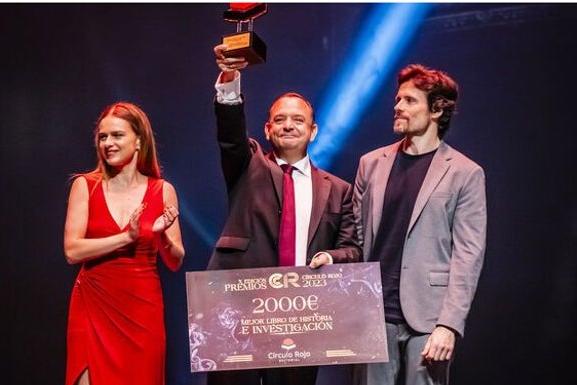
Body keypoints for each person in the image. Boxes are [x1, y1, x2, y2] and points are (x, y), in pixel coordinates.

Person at [205, 44, 362, 385]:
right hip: (239, 312)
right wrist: (231, 80)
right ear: (267, 130)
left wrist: (330, 257)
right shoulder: (248, 164)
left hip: (298, 317)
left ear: (313, 130)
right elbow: (230, 134)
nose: (288, 125)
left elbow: (353, 249)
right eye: (280, 119)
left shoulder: (339, 189)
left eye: (298, 119)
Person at [351, 64, 487, 385]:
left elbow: (468, 256)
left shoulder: (465, 173)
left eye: (409, 101)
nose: (397, 107)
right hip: (373, 312)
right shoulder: (370, 164)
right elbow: (355, 237)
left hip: (429, 317)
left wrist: (450, 325)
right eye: (398, 100)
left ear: (437, 110)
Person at [63, 102, 185, 385]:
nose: (108, 143)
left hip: (142, 309)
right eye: (103, 137)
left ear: (139, 140)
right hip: (93, 304)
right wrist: (125, 238)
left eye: (117, 135)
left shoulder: (163, 190)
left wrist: (161, 235)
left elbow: (176, 260)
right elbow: (72, 250)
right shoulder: (85, 185)